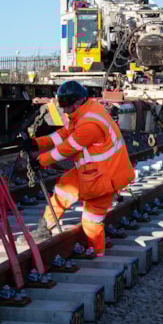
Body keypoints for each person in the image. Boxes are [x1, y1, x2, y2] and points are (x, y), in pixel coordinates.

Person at [24, 80, 135, 257]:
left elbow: (68, 147)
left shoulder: (90, 124)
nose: (63, 109)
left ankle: (96, 252)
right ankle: (44, 227)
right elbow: (64, 134)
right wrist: (37, 143)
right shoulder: (85, 112)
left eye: (65, 105)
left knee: (91, 220)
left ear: (77, 101)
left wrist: (41, 160)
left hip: (106, 177)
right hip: (91, 171)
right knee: (63, 189)